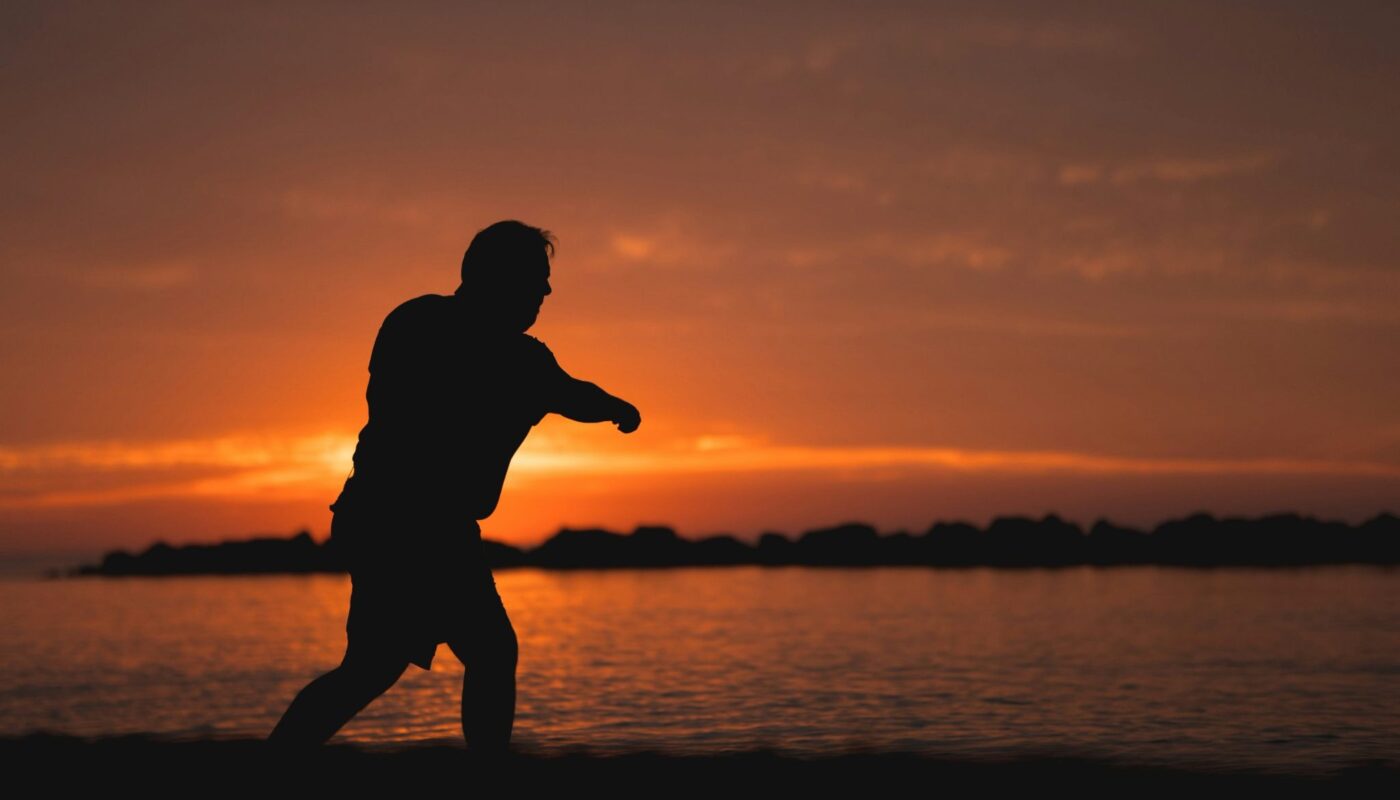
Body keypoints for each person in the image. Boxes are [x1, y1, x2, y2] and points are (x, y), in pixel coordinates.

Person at [267, 220, 641, 752]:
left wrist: (614, 409)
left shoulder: (433, 326)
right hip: (408, 525)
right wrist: (612, 408)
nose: (547, 290)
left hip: (389, 520)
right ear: (498, 278)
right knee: (486, 651)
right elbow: (563, 393)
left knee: (374, 668)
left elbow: (572, 394)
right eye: (537, 277)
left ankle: (273, 763)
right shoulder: (448, 333)